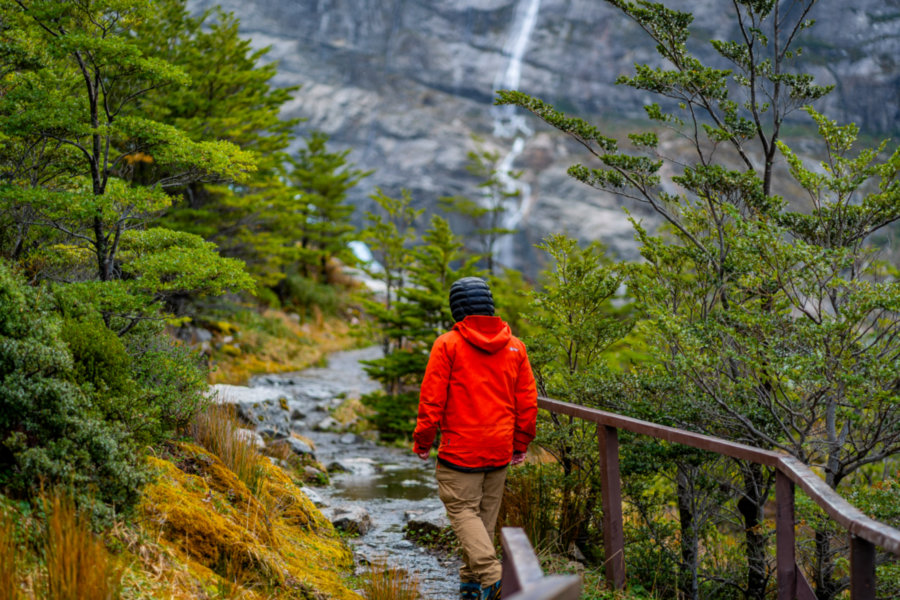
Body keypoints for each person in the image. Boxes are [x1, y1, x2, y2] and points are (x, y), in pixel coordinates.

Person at [413, 277, 538, 600]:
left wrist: (423, 441)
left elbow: (431, 400)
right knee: (483, 517)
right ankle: (471, 584)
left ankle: (493, 578)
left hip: (460, 450)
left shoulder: (448, 344)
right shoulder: (515, 346)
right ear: (489, 306)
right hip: (498, 450)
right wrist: (520, 443)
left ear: (457, 309)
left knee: (463, 512)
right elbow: (527, 403)